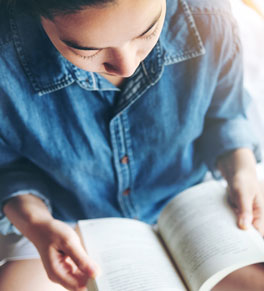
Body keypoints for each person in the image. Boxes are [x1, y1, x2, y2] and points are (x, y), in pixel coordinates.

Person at [0, 0, 263, 290]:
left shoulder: (208, 16)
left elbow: (225, 114)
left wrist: (242, 166)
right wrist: (35, 223)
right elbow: (7, 165)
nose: (127, 66)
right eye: (86, 49)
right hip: (66, 222)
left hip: (187, 209)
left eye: (147, 32)